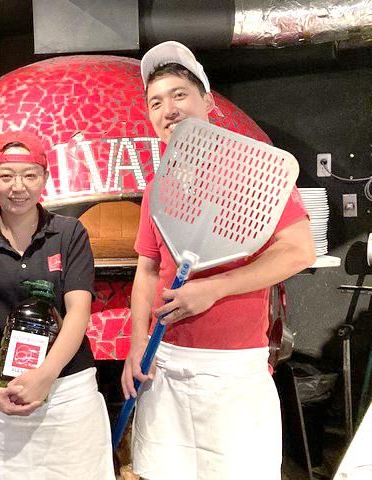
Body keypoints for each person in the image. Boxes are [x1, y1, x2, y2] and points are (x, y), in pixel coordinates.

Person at [121, 41, 316, 480]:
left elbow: (298, 250)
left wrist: (214, 288)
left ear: (208, 101)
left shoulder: (255, 172)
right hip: (164, 364)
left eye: (179, 95)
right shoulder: (158, 186)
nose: (168, 109)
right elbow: (147, 271)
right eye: (156, 102)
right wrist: (137, 345)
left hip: (233, 371)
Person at [0, 131, 115, 479]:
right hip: (1, 388)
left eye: (29, 175)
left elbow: (78, 312)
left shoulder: (69, 233)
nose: (18, 187)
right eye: (6, 175)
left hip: (66, 388)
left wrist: (46, 375)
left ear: (44, 177)